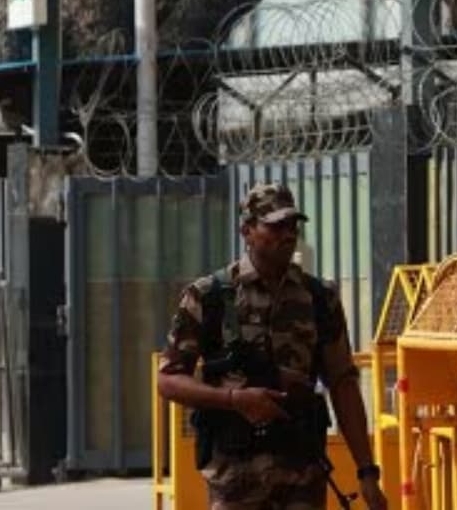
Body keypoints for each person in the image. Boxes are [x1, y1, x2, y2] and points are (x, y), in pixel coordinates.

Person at [157, 183, 388, 510]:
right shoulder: (210, 296)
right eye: (276, 226)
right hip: (236, 481)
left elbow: (343, 384)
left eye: (292, 225)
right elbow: (167, 380)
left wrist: (367, 472)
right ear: (247, 231)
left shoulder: (319, 298)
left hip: (302, 477)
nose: (288, 234)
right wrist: (234, 400)